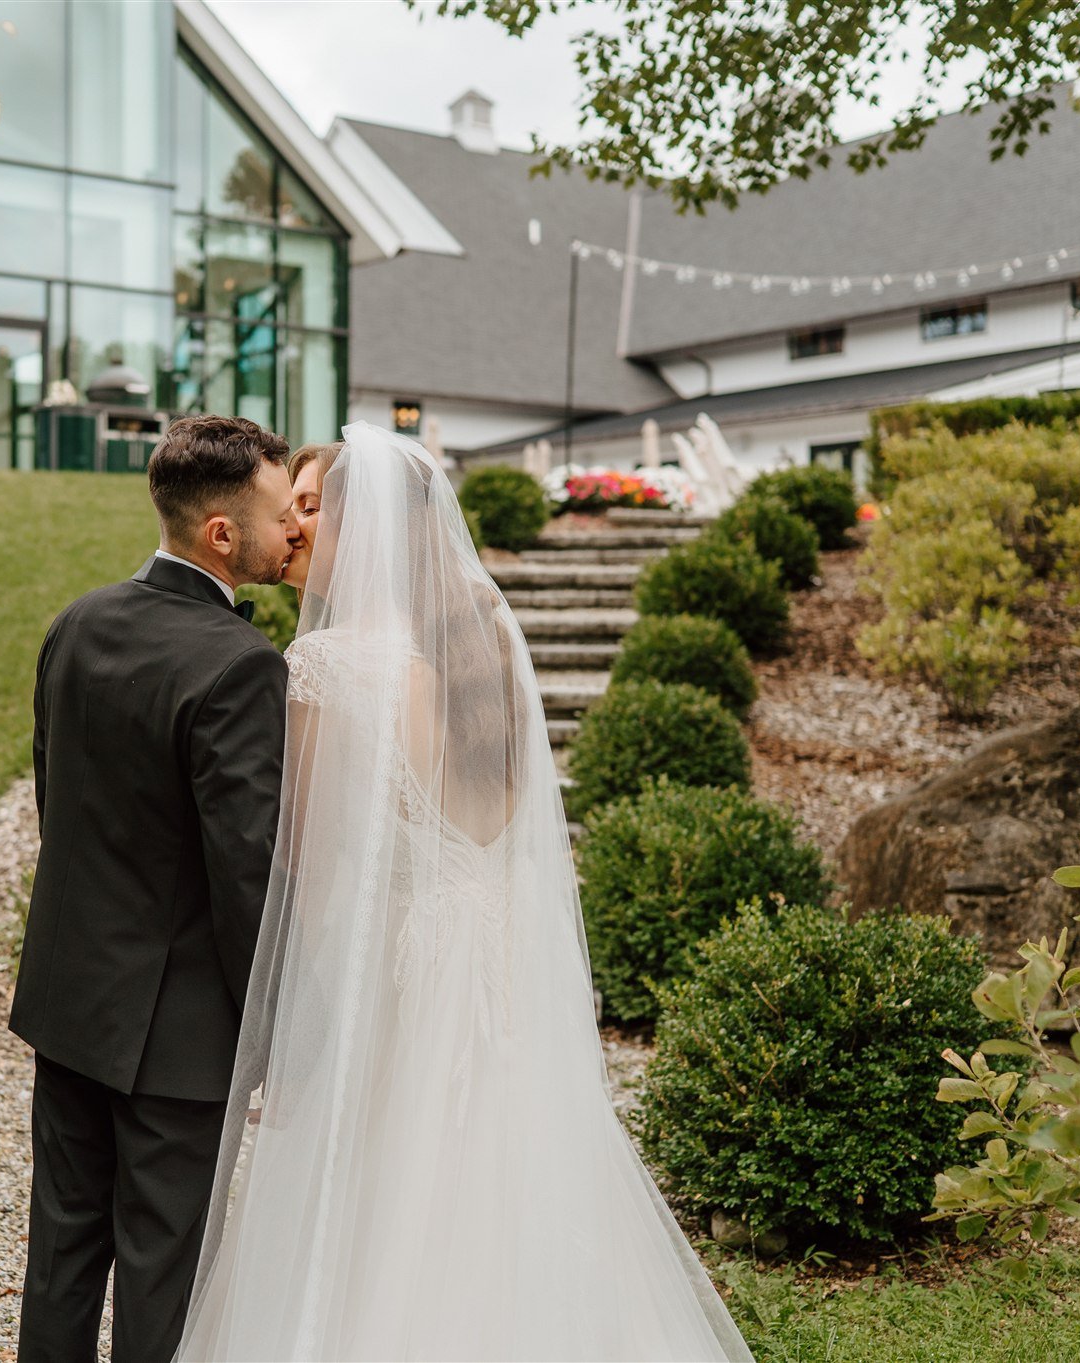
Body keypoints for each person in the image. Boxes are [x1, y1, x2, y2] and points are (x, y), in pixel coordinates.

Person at [175, 423, 755, 1361]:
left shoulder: (327, 667)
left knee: (386, 1190)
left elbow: (310, 872)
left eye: (314, 508)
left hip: (401, 968)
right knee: (492, 1176)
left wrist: (304, 1023)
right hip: (492, 957)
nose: (294, 528)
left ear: (369, 533)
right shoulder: (479, 643)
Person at [11, 414, 304, 1363]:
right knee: (161, 1278)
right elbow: (245, 872)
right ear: (222, 532)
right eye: (276, 512)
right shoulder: (241, 665)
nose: (292, 530)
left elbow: (60, 806)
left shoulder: (78, 620)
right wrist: (277, 1028)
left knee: (60, 1255)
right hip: (178, 1043)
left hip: (69, 1002)